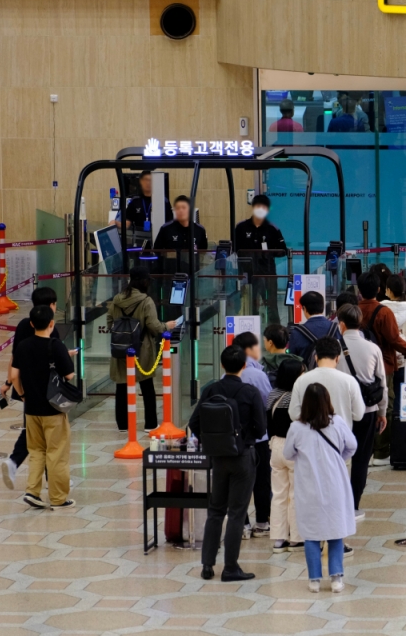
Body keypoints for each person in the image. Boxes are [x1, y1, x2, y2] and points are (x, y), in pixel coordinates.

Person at [189, 344, 266, 582]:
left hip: (218, 458)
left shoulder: (211, 389)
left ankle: (207, 565)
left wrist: (211, 442)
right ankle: (230, 568)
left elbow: (194, 422)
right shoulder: (250, 392)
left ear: (222, 365)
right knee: (236, 513)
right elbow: (261, 428)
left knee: (215, 511)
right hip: (243, 457)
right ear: (244, 365)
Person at [0, 287, 77, 490]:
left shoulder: (24, 325)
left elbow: (15, 361)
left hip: (28, 389)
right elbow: (57, 361)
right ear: (51, 306)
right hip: (50, 393)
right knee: (53, 441)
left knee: (33, 433)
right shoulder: (51, 327)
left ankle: (16, 464)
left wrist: (10, 384)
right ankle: (53, 480)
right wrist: (66, 355)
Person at [283, 383, 358, 593]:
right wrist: (338, 458)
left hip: (308, 486)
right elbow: (352, 445)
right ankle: (336, 579)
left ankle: (314, 580)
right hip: (335, 483)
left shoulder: (296, 428)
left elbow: (288, 453)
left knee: (311, 534)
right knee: (336, 532)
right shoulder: (337, 423)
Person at [356, 272, 406, 465]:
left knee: (361, 406)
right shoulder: (383, 312)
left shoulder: (353, 311)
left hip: (358, 365)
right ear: (378, 289)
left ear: (359, 290)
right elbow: (394, 340)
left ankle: (362, 450)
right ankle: (381, 451)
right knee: (386, 404)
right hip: (383, 365)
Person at [107, 266, 176, 431]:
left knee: (122, 386)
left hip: (121, 348)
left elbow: (110, 322)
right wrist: (167, 325)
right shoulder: (146, 301)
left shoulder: (117, 299)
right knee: (147, 386)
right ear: (144, 282)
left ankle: (123, 425)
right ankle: (150, 424)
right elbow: (153, 326)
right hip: (142, 347)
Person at [337, 304, 387, 516]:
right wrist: (382, 413)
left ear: (341, 325)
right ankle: (354, 505)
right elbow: (382, 383)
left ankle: (337, 503)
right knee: (361, 459)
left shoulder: (333, 348)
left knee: (337, 458)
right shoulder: (372, 348)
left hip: (339, 412)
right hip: (367, 410)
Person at [233, 332, 273, 539]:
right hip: (259, 437)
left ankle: (243, 524)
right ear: (249, 349)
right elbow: (268, 402)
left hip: (236, 439)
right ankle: (262, 522)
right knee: (262, 480)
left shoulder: (226, 377)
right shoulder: (258, 375)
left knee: (240, 481)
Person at [265, 357, 305, 553]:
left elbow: (268, 422)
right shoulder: (298, 398)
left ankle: (279, 538)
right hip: (295, 448)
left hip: (276, 446)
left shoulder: (273, 394)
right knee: (295, 494)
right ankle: (296, 538)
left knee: (278, 494)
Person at [289, 337, 365, 430]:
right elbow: (358, 415)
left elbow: (294, 414)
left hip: (310, 439)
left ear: (316, 358)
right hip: (339, 439)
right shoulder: (349, 381)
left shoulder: (301, 380)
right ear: (337, 358)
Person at [234, 195, 287, 324]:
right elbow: (234, 250)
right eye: (258, 206)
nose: (260, 209)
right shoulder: (241, 228)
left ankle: (274, 334)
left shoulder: (272, 229)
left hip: (268, 273)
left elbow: (283, 250)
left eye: (263, 207)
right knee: (250, 306)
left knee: (271, 306)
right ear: (253, 208)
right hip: (248, 275)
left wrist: (269, 253)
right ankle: (250, 332)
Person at [153, 195, 209, 272]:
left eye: (183, 207)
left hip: (192, 274)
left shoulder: (199, 230)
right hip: (171, 274)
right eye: (178, 208)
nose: (181, 211)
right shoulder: (166, 229)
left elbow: (203, 251)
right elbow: (157, 250)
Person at [288, 291, 340, 366]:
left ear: (304, 308)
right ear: (323, 306)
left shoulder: (297, 333)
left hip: (307, 376)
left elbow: (292, 361)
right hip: (333, 374)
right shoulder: (335, 328)